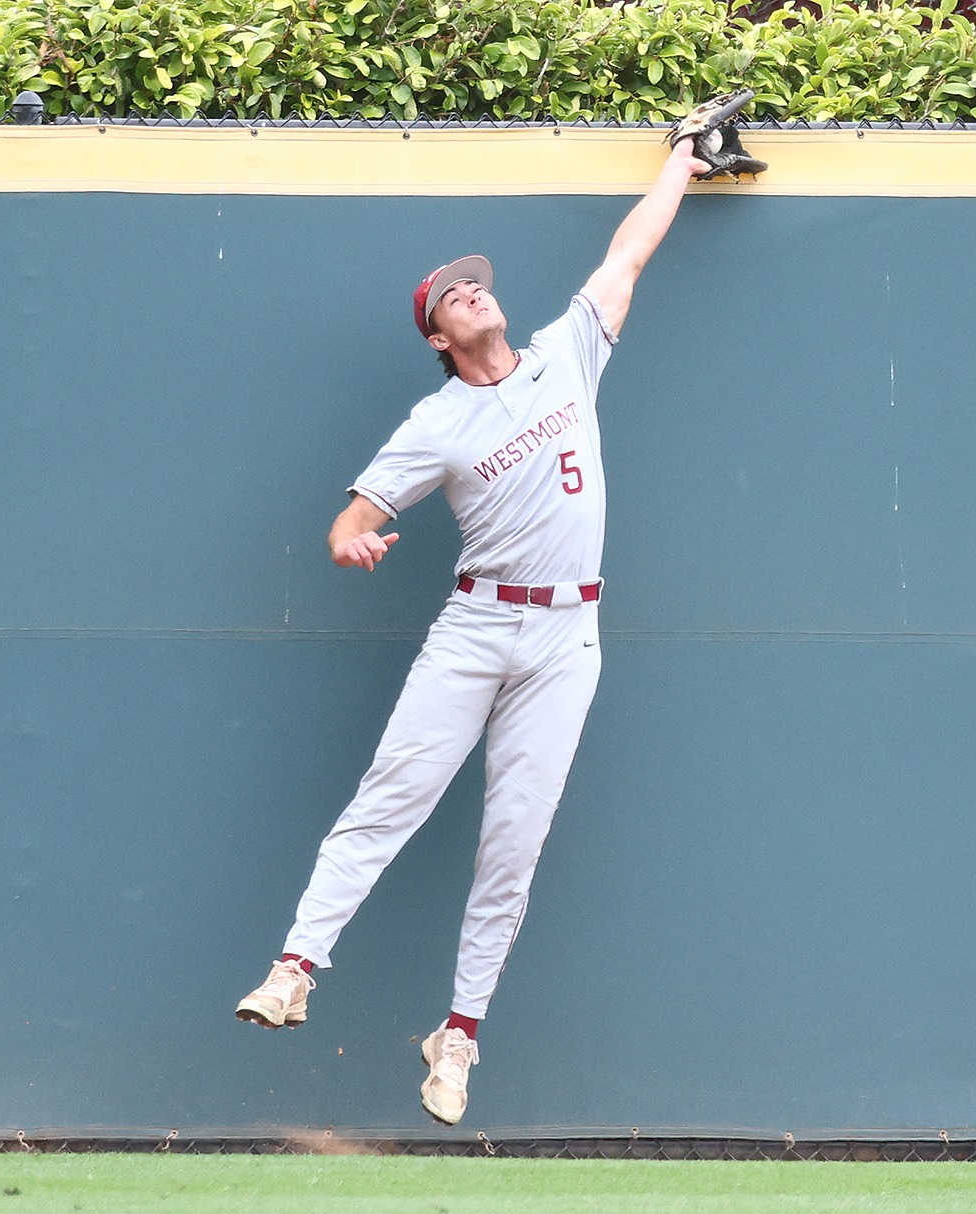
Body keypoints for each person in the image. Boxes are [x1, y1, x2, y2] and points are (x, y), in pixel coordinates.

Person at [237, 138, 712, 1125]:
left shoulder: (565, 354)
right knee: (391, 796)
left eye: (477, 284)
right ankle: (294, 968)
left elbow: (627, 255)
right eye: (452, 295)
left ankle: (457, 1037)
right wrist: (350, 547)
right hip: (476, 624)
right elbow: (348, 519)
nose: (471, 294)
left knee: (514, 842)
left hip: (566, 637)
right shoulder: (437, 418)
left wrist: (681, 158)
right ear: (437, 334)